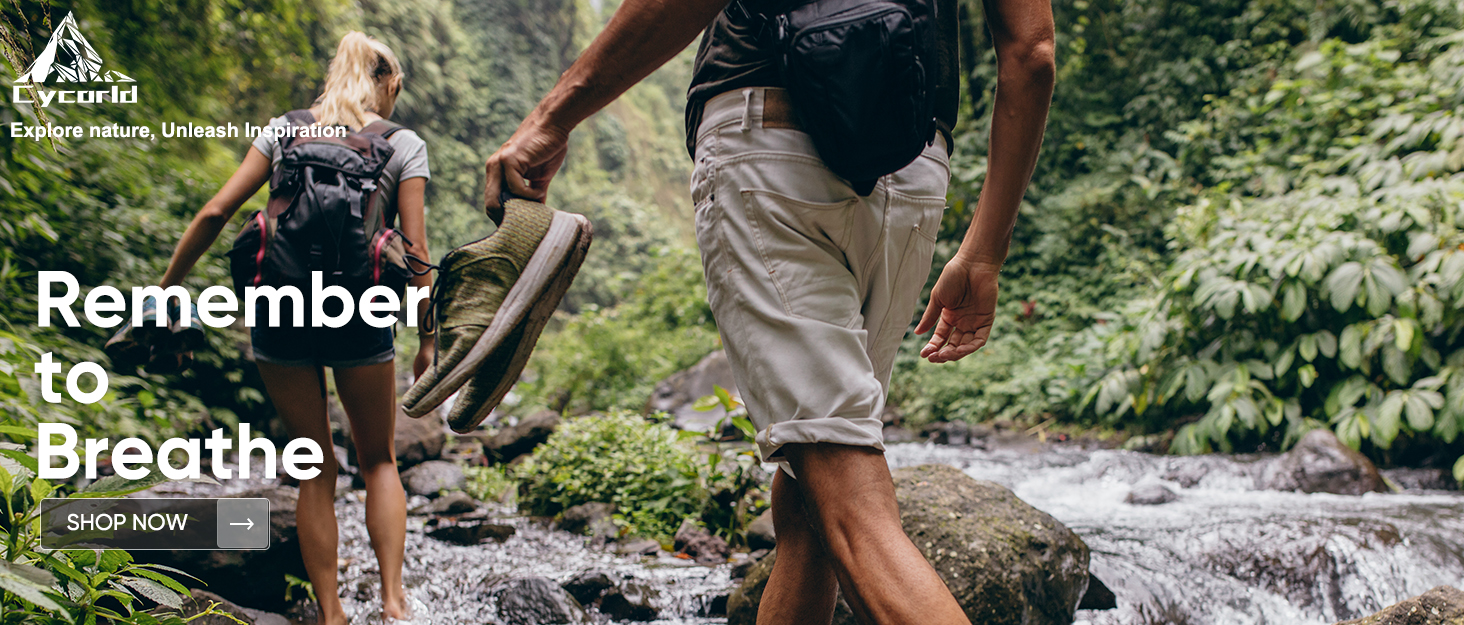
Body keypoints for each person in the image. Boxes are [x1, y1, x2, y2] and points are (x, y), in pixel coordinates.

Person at [483, 0, 1054, 621]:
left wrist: (553, 116)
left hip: (772, 140)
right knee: (813, 504)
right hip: (912, 163)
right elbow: (1031, 52)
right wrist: (984, 252)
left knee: (854, 512)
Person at [156, 32, 432, 625]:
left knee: (316, 467)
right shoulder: (402, 144)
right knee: (380, 461)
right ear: (384, 83)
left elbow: (214, 211)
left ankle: (330, 613)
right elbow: (416, 255)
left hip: (279, 312)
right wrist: (428, 340)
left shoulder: (283, 129)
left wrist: (166, 287)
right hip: (358, 314)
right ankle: (393, 604)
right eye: (395, 90)